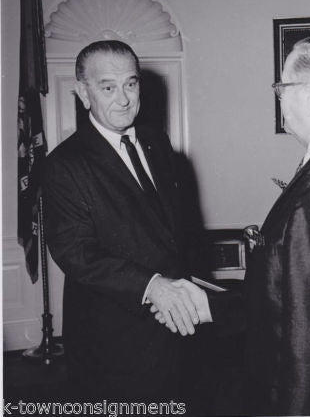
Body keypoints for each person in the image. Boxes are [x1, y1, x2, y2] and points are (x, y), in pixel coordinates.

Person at [154, 35, 310, 415]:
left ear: (308, 94)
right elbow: (303, 291)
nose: (280, 97)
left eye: (281, 87)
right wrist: (218, 307)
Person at [43, 40, 200, 402]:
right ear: (83, 93)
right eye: (108, 87)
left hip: (174, 325)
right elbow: (75, 252)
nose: (124, 99)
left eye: (130, 84)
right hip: (113, 338)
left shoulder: (155, 141)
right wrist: (152, 286)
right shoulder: (64, 165)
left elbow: (171, 231)